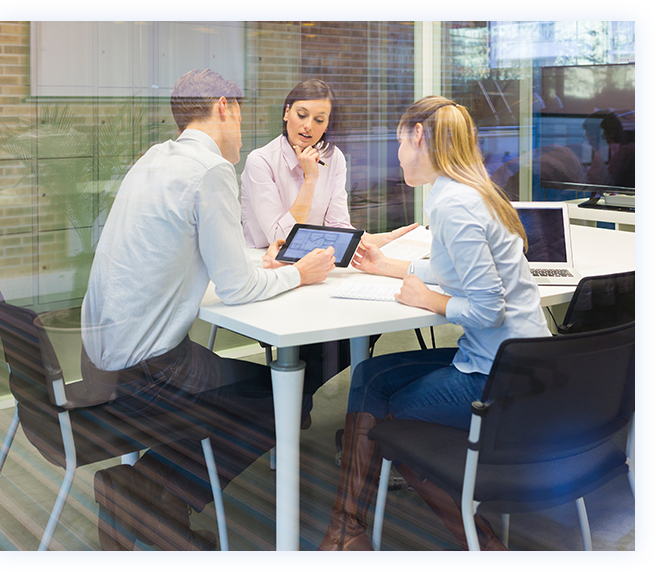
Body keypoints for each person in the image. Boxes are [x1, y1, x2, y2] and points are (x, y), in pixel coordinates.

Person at [81, 69, 335, 551]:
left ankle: (147, 491)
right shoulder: (211, 170)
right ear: (225, 106)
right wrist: (300, 274)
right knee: (282, 399)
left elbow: (186, 251)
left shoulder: (156, 158)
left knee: (250, 393)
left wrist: (257, 264)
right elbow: (237, 290)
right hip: (147, 371)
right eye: (240, 114)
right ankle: (157, 494)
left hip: (99, 359)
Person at [318, 96, 552, 551]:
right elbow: (456, 269)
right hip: (520, 361)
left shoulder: (454, 205)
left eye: (399, 142)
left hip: (499, 377)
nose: (398, 154)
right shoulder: (471, 191)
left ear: (419, 137)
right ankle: (345, 532)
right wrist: (390, 267)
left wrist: (432, 301)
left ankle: (481, 546)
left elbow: (488, 309)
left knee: (387, 420)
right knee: (370, 375)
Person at [241, 78, 417, 401]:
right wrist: (309, 179)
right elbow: (281, 239)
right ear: (286, 113)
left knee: (370, 318)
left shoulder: (334, 158)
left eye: (319, 120)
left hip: (315, 269)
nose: (308, 126)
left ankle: (297, 398)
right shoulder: (260, 161)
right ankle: (288, 402)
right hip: (270, 272)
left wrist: (376, 239)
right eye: (302, 114)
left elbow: (337, 226)